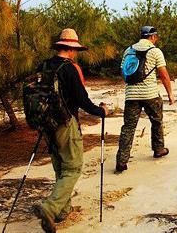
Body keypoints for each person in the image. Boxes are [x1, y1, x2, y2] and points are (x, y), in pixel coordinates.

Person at [33, 28, 108, 233]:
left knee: (60, 166)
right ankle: (50, 208)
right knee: (73, 168)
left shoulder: (44, 65)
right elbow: (81, 99)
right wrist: (100, 111)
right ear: (72, 49)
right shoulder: (69, 69)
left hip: (46, 123)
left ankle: (62, 210)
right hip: (65, 123)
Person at [115, 26, 174, 173]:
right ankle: (158, 149)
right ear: (152, 37)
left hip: (131, 95)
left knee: (128, 127)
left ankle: (121, 161)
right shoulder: (155, 51)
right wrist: (170, 94)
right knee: (156, 121)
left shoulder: (128, 50)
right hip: (150, 94)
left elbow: (123, 73)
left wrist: (133, 85)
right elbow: (164, 75)